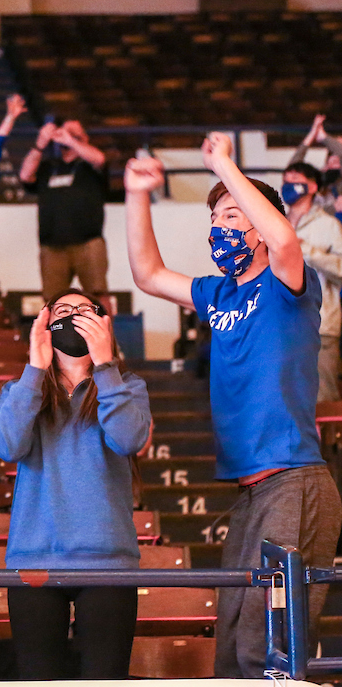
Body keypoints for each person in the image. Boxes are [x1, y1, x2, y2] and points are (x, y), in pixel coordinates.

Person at [124, 134, 342, 678]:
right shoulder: (219, 293)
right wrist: (135, 195)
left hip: (293, 480)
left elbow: (284, 240)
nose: (218, 227)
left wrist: (223, 165)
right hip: (251, 492)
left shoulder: (288, 282)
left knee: (267, 651)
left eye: (231, 215)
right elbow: (148, 274)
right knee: (231, 650)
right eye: (214, 218)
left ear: (260, 224)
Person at [0, 290, 152, 679]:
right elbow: (7, 446)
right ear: (45, 324)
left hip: (107, 560)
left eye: (84, 310)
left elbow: (129, 440)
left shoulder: (128, 386)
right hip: (35, 559)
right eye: (63, 310)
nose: (74, 316)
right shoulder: (18, 389)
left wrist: (105, 365)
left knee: (105, 678)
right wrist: (35, 368)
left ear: (102, 323)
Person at [20, 119, 110, 305]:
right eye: (63, 134)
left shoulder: (89, 165)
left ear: (84, 138)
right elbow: (25, 175)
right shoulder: (48, 167)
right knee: (52, 300)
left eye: (75, 135)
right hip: (52, 245)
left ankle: (104, 325)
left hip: (88, 242)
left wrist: (71, 140)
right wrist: (40, 143)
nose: (67, 139)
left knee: (98, 294)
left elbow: (100, 159)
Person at [282, 162, 342, 402]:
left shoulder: (328, 225)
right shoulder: (275, 224)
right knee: (286, 401)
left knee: (322, 398)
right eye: (286, 180)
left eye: (295, 179)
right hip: (280, 326)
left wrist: (306, 250)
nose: (288, 184)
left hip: (320, 325)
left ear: (313, 186)